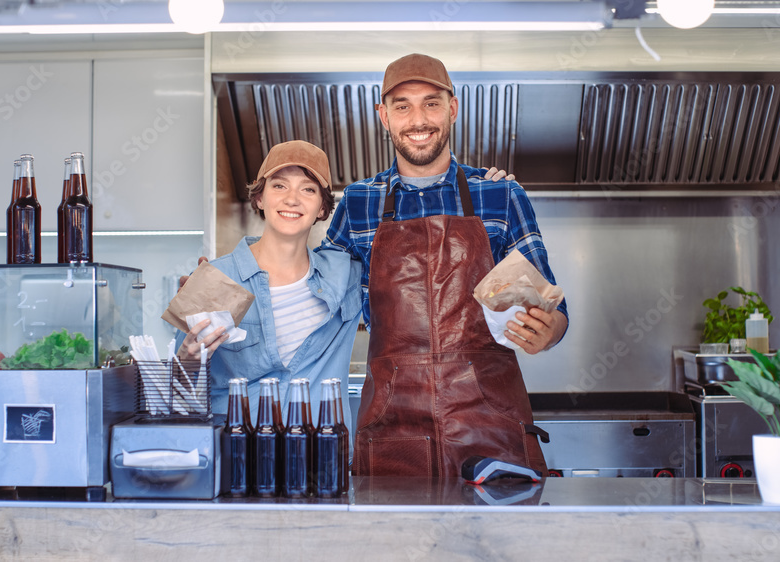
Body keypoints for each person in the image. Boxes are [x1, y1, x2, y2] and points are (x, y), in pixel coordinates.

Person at [319, 53, 569, 477]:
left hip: (490, 424)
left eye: (431, 103)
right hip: (392, 426)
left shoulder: (501, 197)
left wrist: (548, 332)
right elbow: (315, 296)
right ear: (384, 116)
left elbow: (554, 311)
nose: (418, 119)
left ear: (453, 108)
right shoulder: (357, 203)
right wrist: (238, 276)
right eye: (403, 106)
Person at [176, 140, 363, 423]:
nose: (292, 198)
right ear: (260, 198)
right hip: (239, 452)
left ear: (322, 209)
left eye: (308, 189)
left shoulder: (345, 276)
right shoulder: (213, 279)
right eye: (279, 185)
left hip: (321, 452)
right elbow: (173, 396)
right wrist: (187, 362)